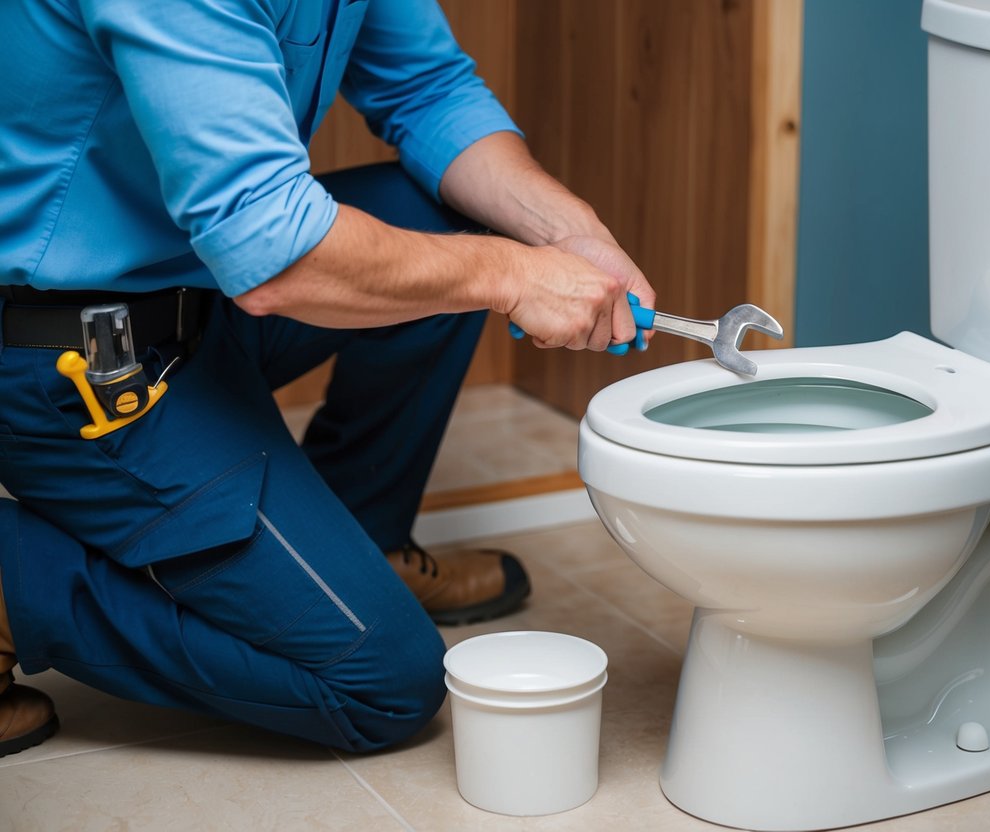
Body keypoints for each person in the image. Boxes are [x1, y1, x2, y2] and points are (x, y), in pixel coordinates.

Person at [0, 0, 654, 757]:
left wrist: (564, 234)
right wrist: (512, 275)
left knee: (454, 226)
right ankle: (19, 587)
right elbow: (272, 249)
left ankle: (358, 546)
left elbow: (429, 89)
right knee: (382, 686)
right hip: (71, 356)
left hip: (203, 298)